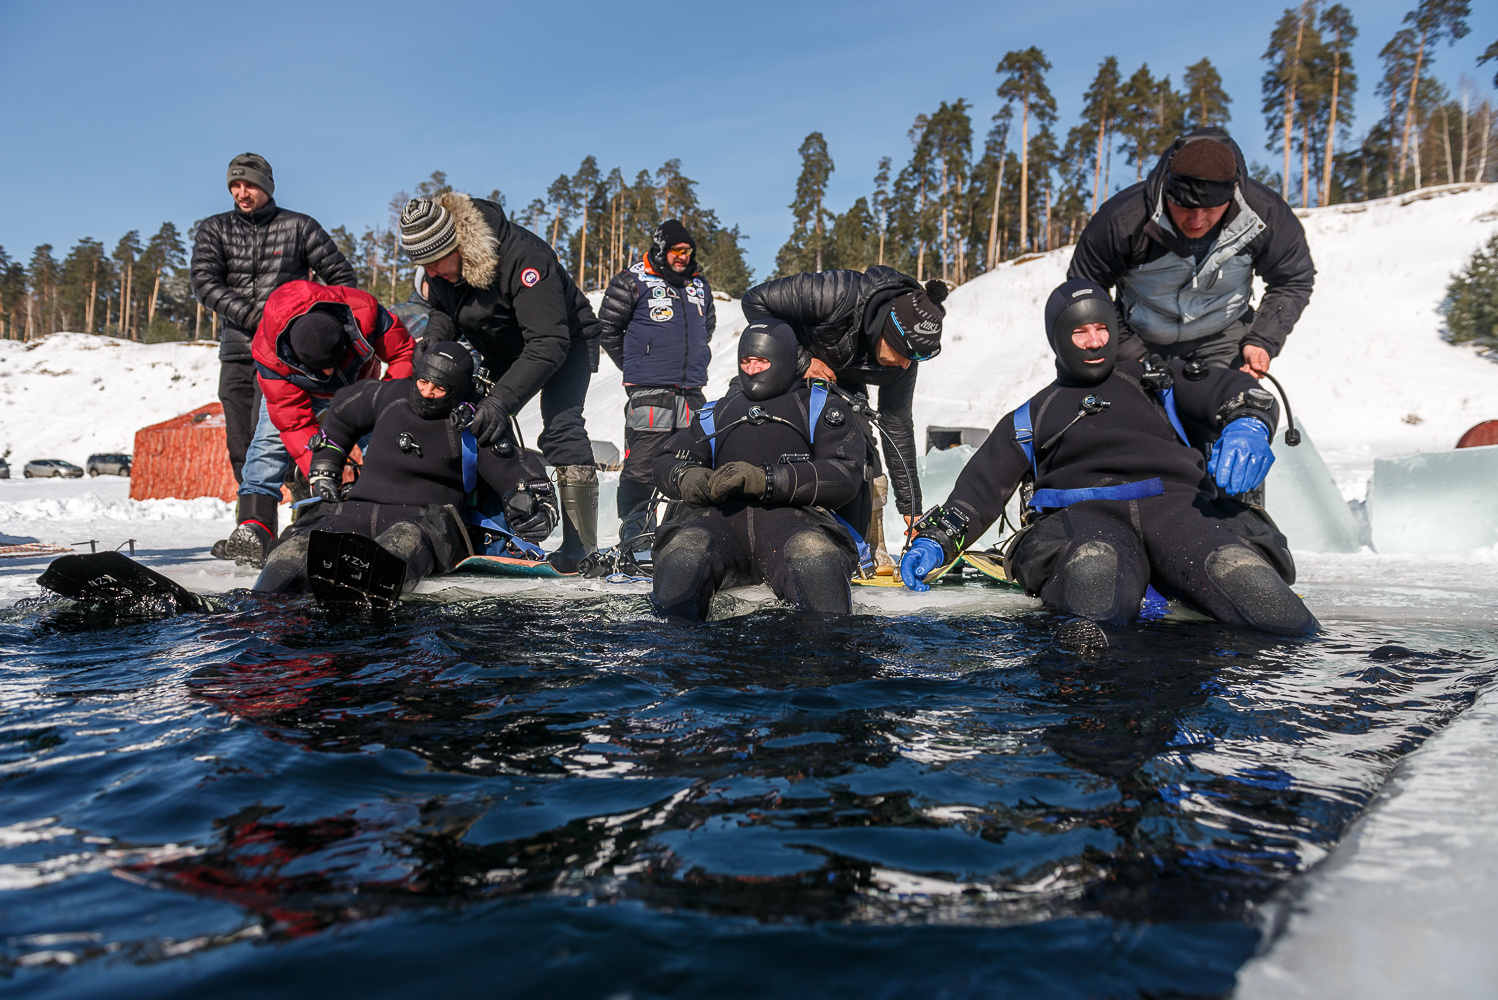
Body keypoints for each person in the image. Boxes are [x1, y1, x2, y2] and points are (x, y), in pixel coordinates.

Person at [900, 279, 1317, 637]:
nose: (1096, 340)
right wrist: (935, 542)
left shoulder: (1159, 382)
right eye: (1081, 331)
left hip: (1179, 510)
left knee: (1243, 575)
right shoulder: (1033, 414)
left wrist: (1249, 423)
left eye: (1102, 327)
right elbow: (980, 490)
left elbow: (1235, 391)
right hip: (1084, 515)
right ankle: (1088, 704)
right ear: (1058, 337)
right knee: (1094, 572)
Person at [399, 192, 602, 573]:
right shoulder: (441, 268)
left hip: (564, 341)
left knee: (561, 427)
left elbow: (548, 342)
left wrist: (501, 402)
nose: (433, 275)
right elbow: (444, 310)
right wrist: (435, 342)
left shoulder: (525, 258)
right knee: (474, 422)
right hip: (500, 345)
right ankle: (490, 528)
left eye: (437, 264)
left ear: (457, 243)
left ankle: (581, 547)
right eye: (424, 267)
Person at [254, 341, 556, 597]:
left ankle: (366, 616)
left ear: (461, 389)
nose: (426, 393)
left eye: (439, 388)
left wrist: (536, 505)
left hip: (425, 522)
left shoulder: (473, 423)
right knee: (292, 552)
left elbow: (516, 470)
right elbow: (342, 414)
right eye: (423, 382)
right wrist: (324, 467)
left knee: (395, 548)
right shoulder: (389, 395)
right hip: (355, 511)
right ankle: (257, 608)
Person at [650, 320, 869, 621]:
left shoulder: (819, 407)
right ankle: (671, 655)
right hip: (719, 524)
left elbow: (844, 473)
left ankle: (826, 657)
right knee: (684, 555)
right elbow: (666, 459)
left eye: (761, 360)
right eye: (746, 360)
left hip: (795, 523)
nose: (751, 368)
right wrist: (687, 477)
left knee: (816, 559)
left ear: (785, 360)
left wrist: (766, 480)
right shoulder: (718, 411)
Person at [739, 266, 947, 570]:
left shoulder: (906, 356)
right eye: (906, 354)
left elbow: (897, 425)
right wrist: (802, 360)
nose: (906, 366)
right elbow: (754, 300)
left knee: (862, 448)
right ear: (889, 330)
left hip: (840, 383)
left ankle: (870, 545)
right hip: (786, 367)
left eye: (917, 358)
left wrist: (912, 507)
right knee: (757, 432)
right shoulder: (836, 293)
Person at [1067, 127, 1314, 378]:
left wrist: (1261, 339)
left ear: (1232, 194)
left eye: (1210, 209)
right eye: (1184, 206)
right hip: (1140, 338)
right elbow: (1083, 289)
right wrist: (1130, 351)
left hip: (1225, 338)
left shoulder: (1266, 214)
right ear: (1167, 188)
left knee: (1235, 412)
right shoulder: (1122, 219)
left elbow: (1293, 279)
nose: (1196, 220)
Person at [219, 280, 415, 566]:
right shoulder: (269, 354)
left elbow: (403, 353)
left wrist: (386, 399)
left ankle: (396, 511)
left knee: (385, 441)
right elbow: (294, 423)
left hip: (361, 385)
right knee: (268, 445)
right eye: (321, 367)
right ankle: (255, 526)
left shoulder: (365, 311)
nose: (328, 371)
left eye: (333, 360)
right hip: (299, 393)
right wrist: (322, 470)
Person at [190, 153, 356, 487]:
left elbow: (343, 280)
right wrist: (257, 318)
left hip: (285, 357)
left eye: (249, 184)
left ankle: (302, 508)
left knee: (280, 437)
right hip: (238, 351)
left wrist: (313, 324)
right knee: (241, 442)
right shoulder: (215, 228)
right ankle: (253, 516)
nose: (241, 192)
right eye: (234, 185)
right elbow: (204, 283)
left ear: (267, 186)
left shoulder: (299, 226)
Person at [596, 220, 716, 567]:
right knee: (642, 466)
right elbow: (608, 330)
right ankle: (637, 539)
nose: (683, 257)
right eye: (677, 251)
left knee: (694, 463)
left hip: (692, 390)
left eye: (688, 252)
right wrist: (638, 365)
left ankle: (679, 536)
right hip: (649, 391)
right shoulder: (631, 280)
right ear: (662, 249)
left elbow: (706, 327)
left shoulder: (698, 284)